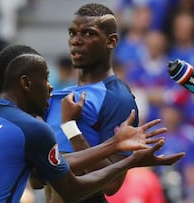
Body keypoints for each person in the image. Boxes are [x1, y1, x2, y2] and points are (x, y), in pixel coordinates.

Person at [0, 44, 185, 203]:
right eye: (46, 79)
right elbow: (72, 189)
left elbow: (51, 165)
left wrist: (113, 145)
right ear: (26, 83)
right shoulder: (30, 129)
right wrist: (131, 161)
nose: (52, 87)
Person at [40, 3, 179, 203]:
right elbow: (38, 179)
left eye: (88, 34)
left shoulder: (117, 98)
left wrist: (71, 129)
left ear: (111, 41)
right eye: (72, 33)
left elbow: (112, 185)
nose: (76, 41)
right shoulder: (61, 94)